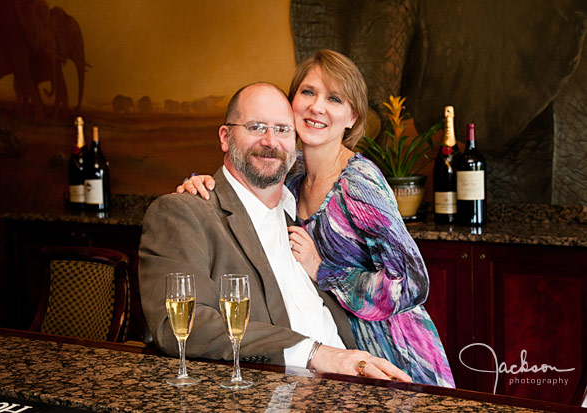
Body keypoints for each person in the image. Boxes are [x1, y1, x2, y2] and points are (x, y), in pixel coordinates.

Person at [176, 50, 455, 387]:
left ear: (352, 117)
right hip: (335, 355)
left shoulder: (358, 182)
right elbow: (246, 173)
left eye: (334, 98)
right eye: (307, 92)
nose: (317, 107)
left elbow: (411, 282)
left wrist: (324, 270)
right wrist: (200, 181)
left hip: (392, 351)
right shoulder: (292, 176)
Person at [139, 81, 411, 381]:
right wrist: (315, 354)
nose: (271, 141)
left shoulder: (301, 213)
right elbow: (181, 325)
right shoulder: (185, 213)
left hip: (363, 379)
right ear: (225, 137)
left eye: (283, 129)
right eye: (256, 127)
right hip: (279, 393)